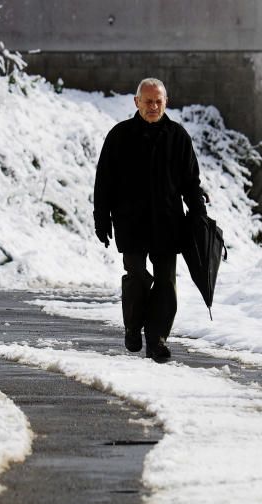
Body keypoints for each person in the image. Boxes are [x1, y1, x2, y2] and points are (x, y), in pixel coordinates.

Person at [93, 77, 206, 363]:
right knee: (137, 277)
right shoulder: (119, 136)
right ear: (137, 102)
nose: (153, 106)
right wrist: (101, 218)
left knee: (166, 282)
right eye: (148, 101)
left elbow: (191, 183)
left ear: (165, 103)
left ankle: (157, 339)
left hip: (168, 223)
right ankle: (133, 325)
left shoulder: (178, 136)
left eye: (158, 101)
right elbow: (104, 181)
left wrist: (198, 216)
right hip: (130, 223)